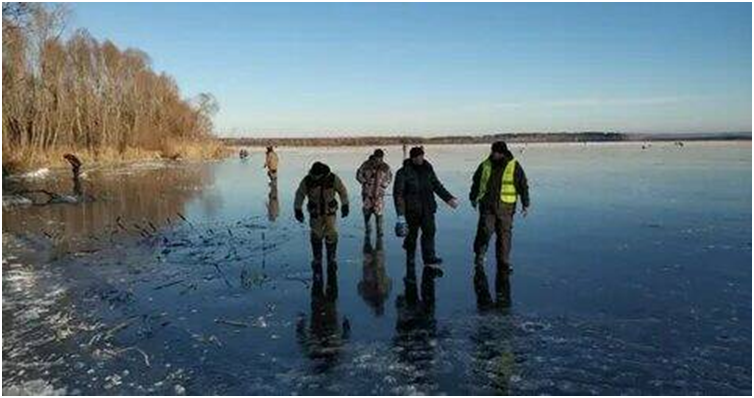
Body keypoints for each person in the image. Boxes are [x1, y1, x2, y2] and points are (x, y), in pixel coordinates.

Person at [469, 141, 530, 298]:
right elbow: (476, 181)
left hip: (506, 207)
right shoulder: (485, 165)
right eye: (493, 151)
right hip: (487, 206)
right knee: (485, 231)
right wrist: (473, 197)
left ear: (503, 152)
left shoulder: (514, 165)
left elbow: (523, 184)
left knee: (504, 236)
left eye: (496, 152)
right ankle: (479, 256)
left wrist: (525, 203)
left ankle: (503, 262)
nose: (494, 154)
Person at [394, 146, 459, 275]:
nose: (420, 159)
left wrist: (449, 198)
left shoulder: (428, 169)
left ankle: (429, 258)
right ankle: (410, 257)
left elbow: (436, 185)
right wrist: (400, 215)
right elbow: (398, 194)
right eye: (417, 157)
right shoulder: (403, 172)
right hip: (412, 210)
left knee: (429, 232)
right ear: (412, 158)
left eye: (421, 156)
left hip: (428, 208)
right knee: (412, 235)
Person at [294, 162, 350, 280]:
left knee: (331, 234)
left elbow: (342, 191)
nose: (316, 178)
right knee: (316, 235)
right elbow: (300, 194)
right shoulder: (308, 180)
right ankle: (317, 259)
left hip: (330, 213)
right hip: (315, 214)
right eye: (314, 175)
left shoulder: (333, 178)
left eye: (318, 176)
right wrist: (297, 209)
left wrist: (345, 204)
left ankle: (332, 259)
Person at [356, 149, 393, 237]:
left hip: (379, 194)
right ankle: (368, 228)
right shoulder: (366, 165)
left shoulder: (385, 167)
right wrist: (364, 181)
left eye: (380, 158)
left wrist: (383, 185)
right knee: (367, 211)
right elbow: (358, 175)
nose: (378, 160)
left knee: (378, 212)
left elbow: (389, 178)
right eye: (377, 158)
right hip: (367, 193)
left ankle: (379, 230)